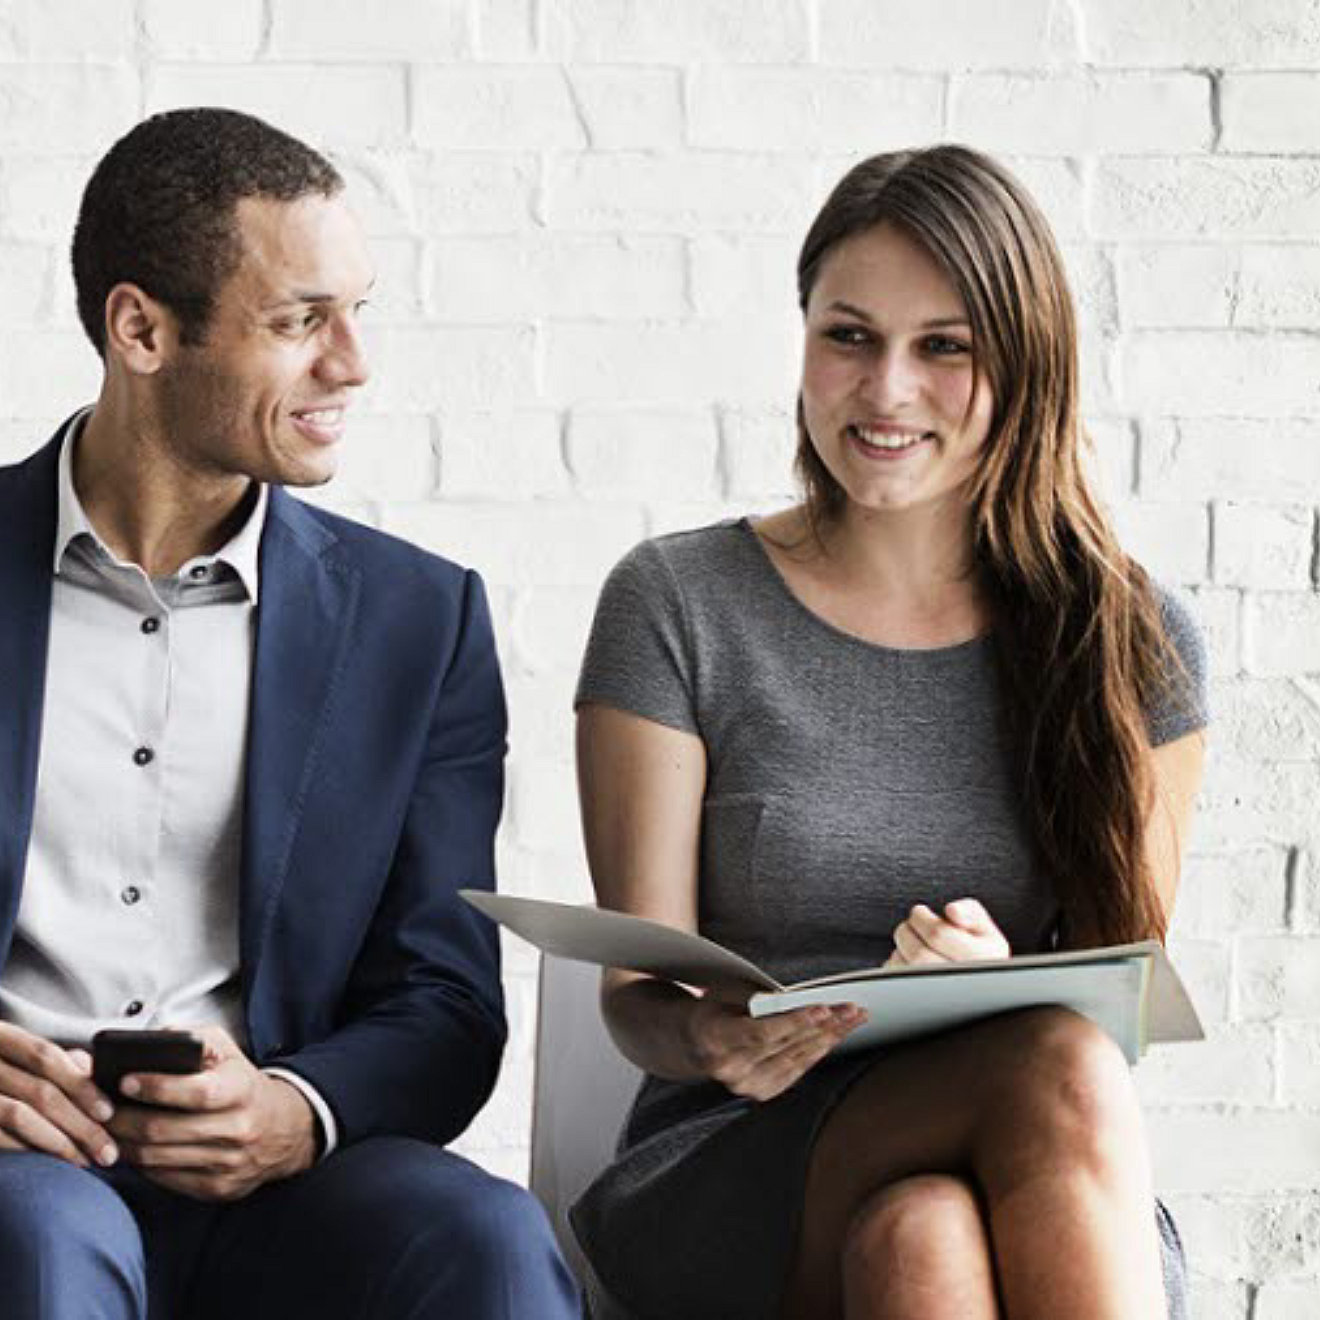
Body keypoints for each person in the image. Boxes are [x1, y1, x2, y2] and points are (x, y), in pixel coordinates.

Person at [570, 145, 1206, 1320]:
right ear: (802, 334)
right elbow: (633, 990)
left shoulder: (1132, 637)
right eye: (848, 336)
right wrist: (712, 1036)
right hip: (737, 1158)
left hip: (1030, 1159)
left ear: (1026, 365)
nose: (886, 391)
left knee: (927, 1242)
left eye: (944, 347)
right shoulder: (678, 602)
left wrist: (1005, 988)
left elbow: (1122, 1012)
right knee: (1049, 1066)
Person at [0, 108, 579, 1320]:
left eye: (357, 310)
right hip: (20, 1179)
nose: (353, 362)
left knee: (485, 1239)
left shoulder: (421, 623)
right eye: (299, 320)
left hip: (285, 1185)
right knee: (45, 1247)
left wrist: (295, 1112)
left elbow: (448, 1000)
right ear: (142, 329)